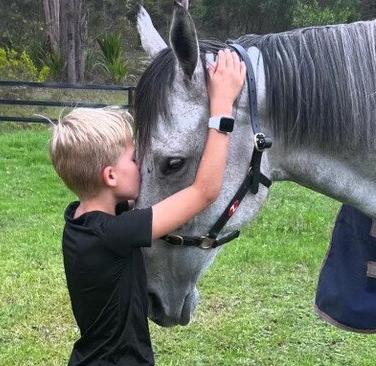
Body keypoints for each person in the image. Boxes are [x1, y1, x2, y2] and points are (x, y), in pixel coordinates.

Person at [48, 49, 246, 366]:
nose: (141, 163)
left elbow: (126, 204)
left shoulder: (79, 221)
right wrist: (222, 107)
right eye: (132, 157)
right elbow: (204, 192)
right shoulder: (117, 233)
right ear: (110, 176)